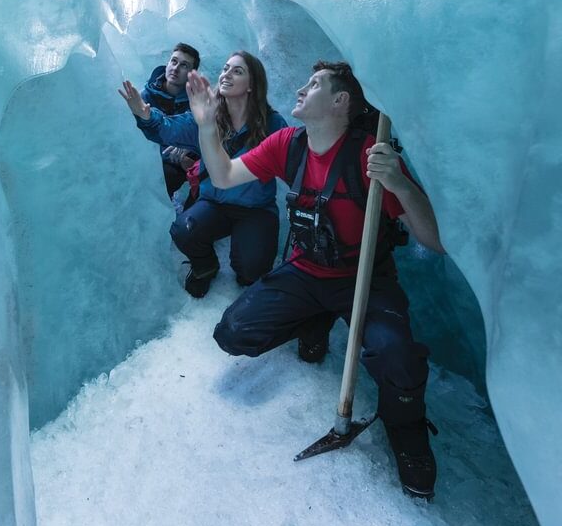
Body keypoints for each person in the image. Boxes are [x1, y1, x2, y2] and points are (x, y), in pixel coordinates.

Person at [185, 60, 445, 500]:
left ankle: (408, 431)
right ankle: (314, 321)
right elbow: (225, 175)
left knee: (396, 356)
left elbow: (434, 241)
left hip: (363, 278)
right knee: (233, 332)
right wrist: (208, 126)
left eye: (315, 84)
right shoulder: (289, 144)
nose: (302, 88)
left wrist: (399, 184)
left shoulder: (371, 156)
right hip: (305, 271)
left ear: (341, 101)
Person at [119, 51, 288, 297]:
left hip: (256, 209)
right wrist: (145, 114)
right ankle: (205, 266)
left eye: (237, 71)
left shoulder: (271, 124)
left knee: (251, 270)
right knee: (183, 231)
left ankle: (246, 268)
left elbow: (294, 157)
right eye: (225, 68)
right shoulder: (208, 116)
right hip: (216, 203)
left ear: (252, 85)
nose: (227, 74)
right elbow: (169, 128)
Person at [140, 43, 201, 199]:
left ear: (191, 74)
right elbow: (141, 140)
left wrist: (188, 147)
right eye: (173, 61)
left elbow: (205, 132)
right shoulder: (146, 97)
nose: (175, 68)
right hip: (155, 163)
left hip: (188, 163)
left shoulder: (196, 100)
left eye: (184, 65)